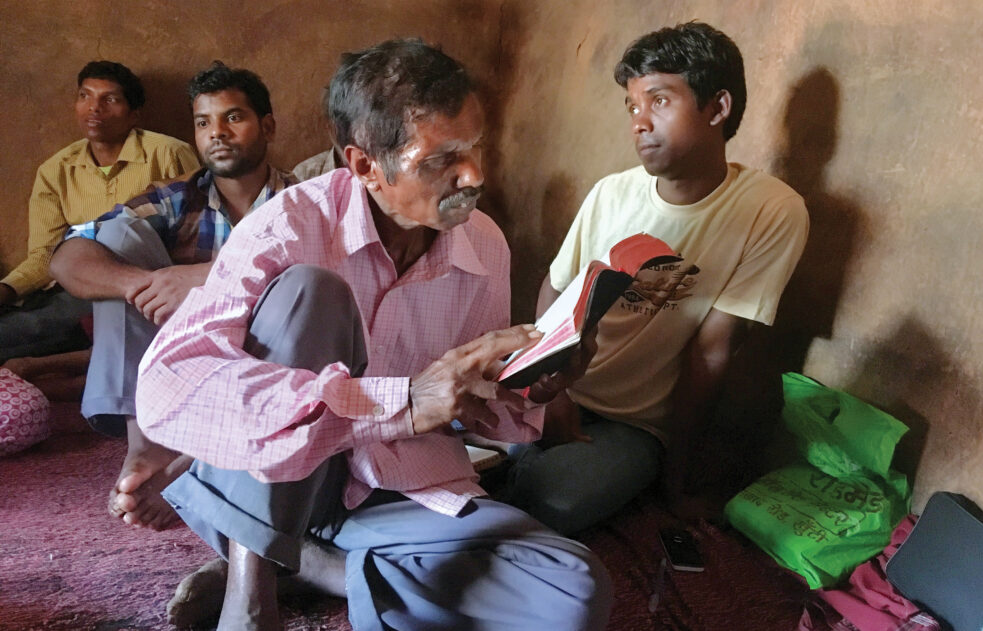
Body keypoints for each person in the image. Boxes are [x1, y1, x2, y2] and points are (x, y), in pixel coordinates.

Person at [135, 39, 611, 631]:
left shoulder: (485, 243)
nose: (475, 175)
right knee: (312, 293)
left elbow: (487, 419)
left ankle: (312, 564)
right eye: (442, 159)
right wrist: (402, 401)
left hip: (397, 487)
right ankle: (252, 592)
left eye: (477, 148)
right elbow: (167, 384)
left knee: (571, 591)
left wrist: (533, 387)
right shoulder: (290, 225)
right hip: (280, 479)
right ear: (363, 166)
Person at [504, 22, 810, 535]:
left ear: (717, 108)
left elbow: (711, 353)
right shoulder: (611, 193)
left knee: (556, 501)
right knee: (445, 437)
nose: (639, 123)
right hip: (556, 390)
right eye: (632, 106)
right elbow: (554, 290)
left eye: (659, 101)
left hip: (633, 424)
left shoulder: (771, 210)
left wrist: (676, 483)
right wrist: (549, 392)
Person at [50, 61, 297, 531]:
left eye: (233, 118)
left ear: (267, 126)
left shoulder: (303, 199)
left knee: (307, 282)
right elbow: (67, 257)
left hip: (274, 359)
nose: (217, 133)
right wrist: (140, 285)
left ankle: (194, 460)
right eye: (204, 123)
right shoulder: (177, 197)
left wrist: (205, 277)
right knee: (117, 239)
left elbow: (331, 272)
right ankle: (147, 443)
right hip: (192, 364)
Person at [0, 61, 198, 363]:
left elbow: (200, 226)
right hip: (74, 285)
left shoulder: (168, 153)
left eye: (110, 99)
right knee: (24, 324)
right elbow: (44, 256)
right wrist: (7, 290)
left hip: (144, 286)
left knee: (25, 332)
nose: (94, 108)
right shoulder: (56, 170)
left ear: (134, 115)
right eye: (85, 96)